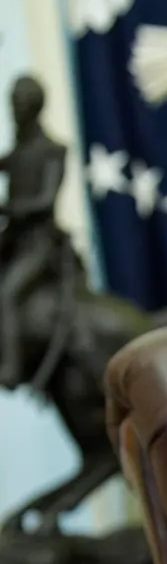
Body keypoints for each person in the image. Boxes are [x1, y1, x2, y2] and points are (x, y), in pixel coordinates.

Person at [0, 75, 67, 388]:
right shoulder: (18, 152)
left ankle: (11, 366)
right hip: (11, 238)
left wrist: (9, 209)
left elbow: (44, 201)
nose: (13, 111)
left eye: (18, 105)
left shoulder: (53, 150)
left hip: (38, 244)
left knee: (8, 293)